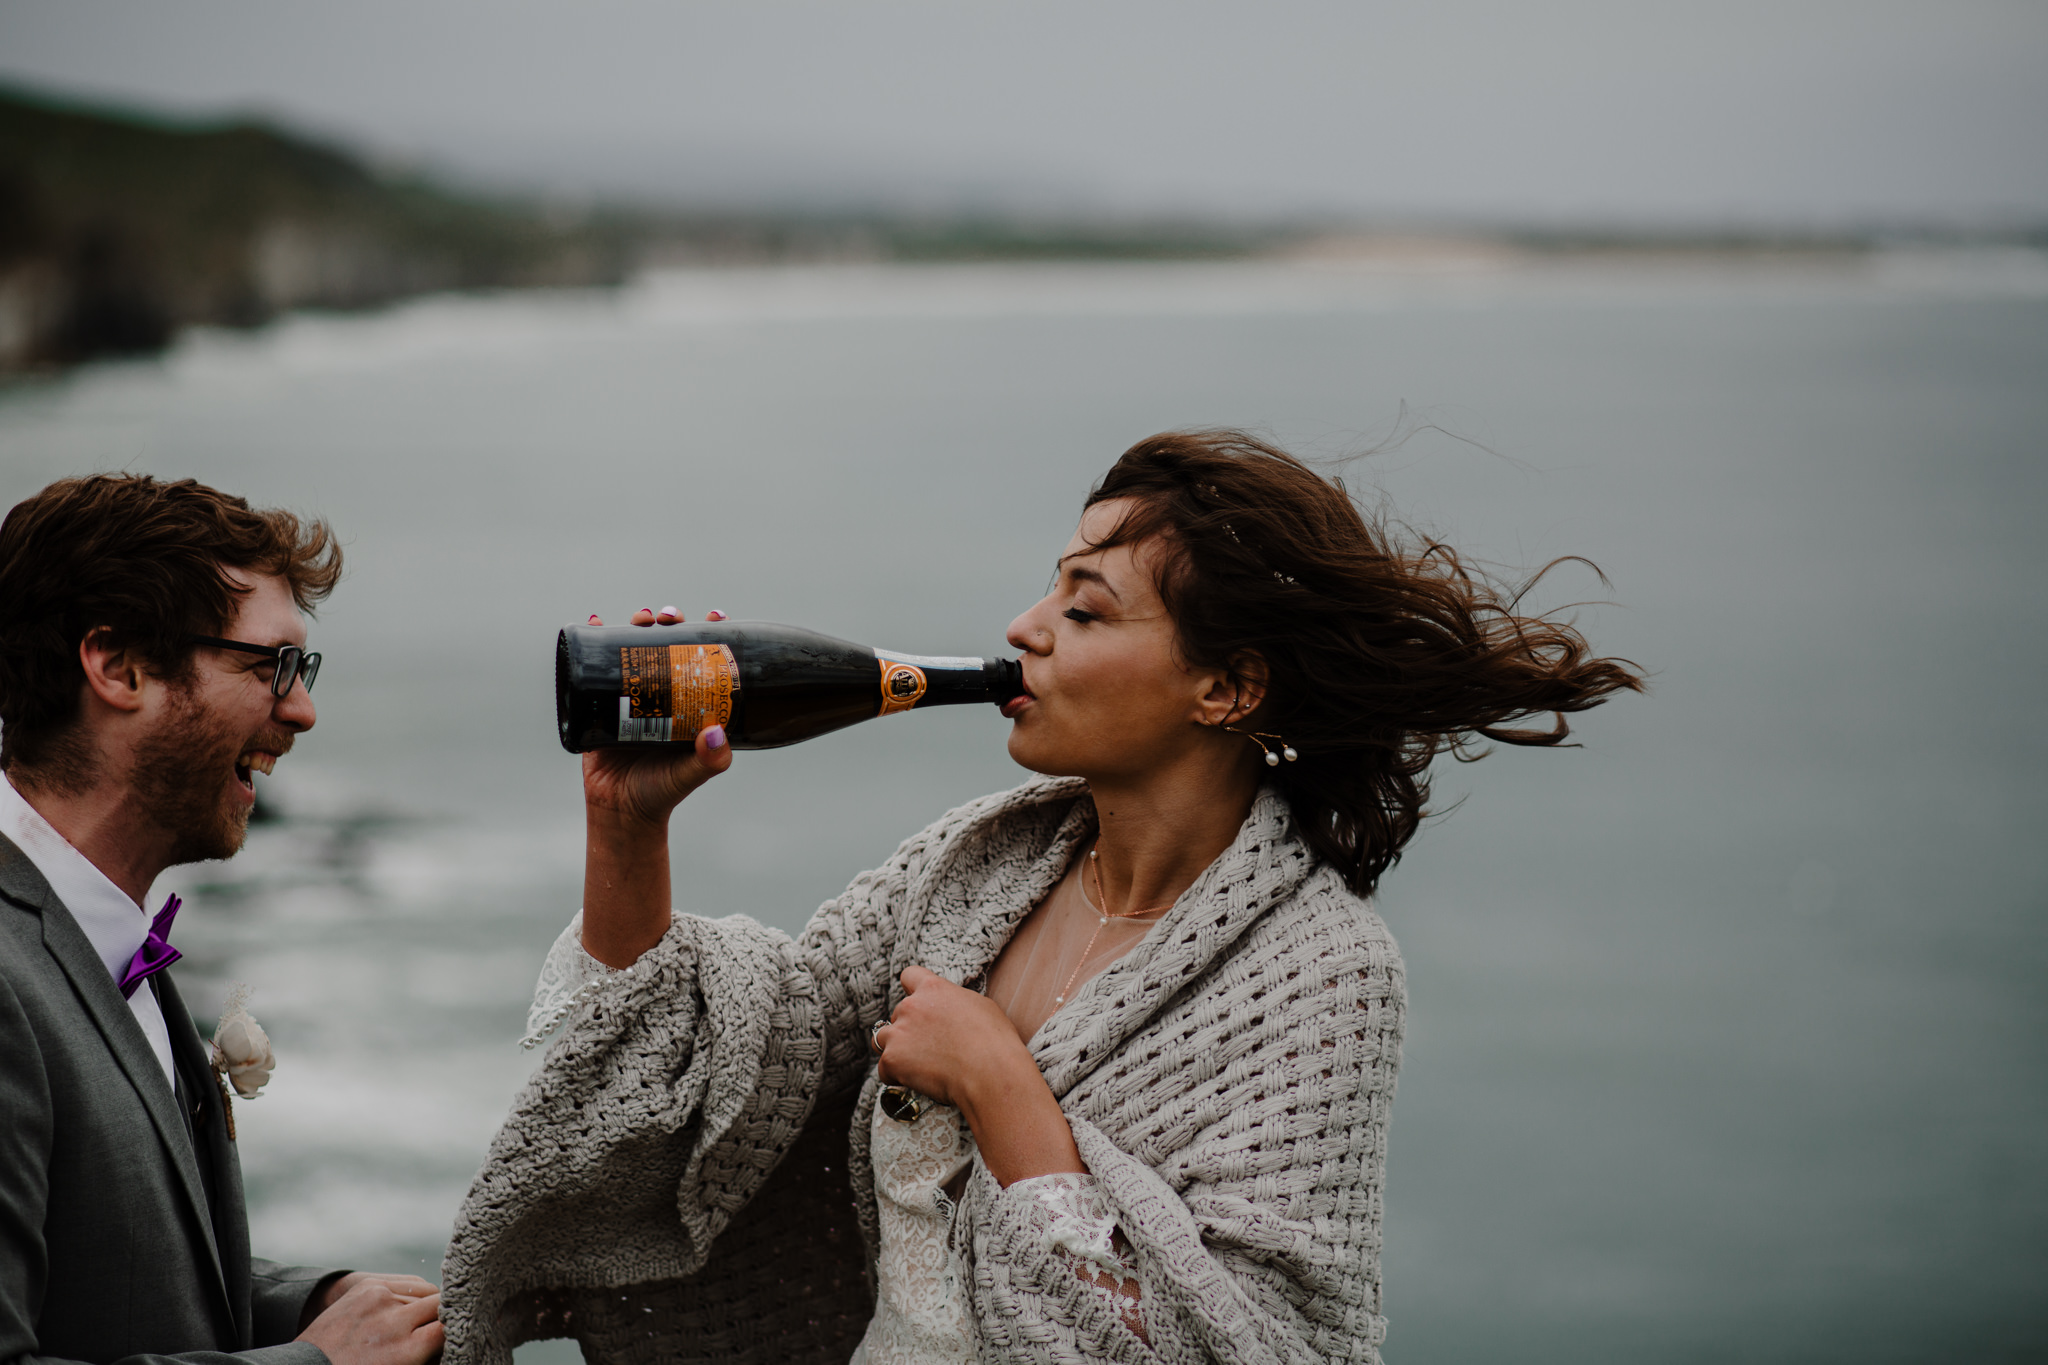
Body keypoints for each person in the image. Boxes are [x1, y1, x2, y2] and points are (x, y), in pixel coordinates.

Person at [442, 431, 1643, 1364]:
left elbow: (1245, 1346)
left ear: (1226, 687)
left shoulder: (1324, 970)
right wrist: (627, 826)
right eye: (1045, 592)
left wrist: (1002, 1089)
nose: (1021, 631)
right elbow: (711, 1068)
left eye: (1083, 608)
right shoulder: (980, 862)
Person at [0, 475, 447, 1365]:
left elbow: (119, 1269)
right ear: (118, 665)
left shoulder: (112, 940)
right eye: (270, 664)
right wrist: (318, 1364)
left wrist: (315, 1302)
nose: (303, 708)